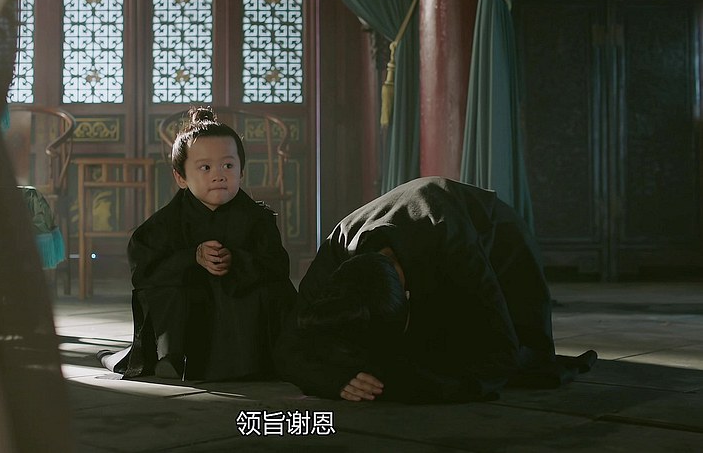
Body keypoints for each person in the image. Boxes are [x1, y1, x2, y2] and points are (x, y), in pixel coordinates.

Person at [275, 176, 596, 403]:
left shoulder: (452, 243)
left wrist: (395, 386)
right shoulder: (337, 250)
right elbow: (288, 346)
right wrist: (335, 381)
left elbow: (500, 356)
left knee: (511, 362)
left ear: (407, 293)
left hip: (497, 240)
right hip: (419, 239)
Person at [99, 107, 296, 381]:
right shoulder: (165, 224)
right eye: (205, 167)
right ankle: (172, 357)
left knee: (268, 288)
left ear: (241, 171)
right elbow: (144, 271)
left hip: (239, 315)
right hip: (188, 313)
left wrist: (237, 260)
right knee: (166, 288)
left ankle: (255, 359)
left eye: (228, 166)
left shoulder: (257, 219)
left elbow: (277, 266)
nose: (219, 175)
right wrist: (191, 258)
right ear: (181, 177)